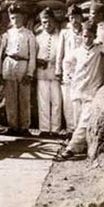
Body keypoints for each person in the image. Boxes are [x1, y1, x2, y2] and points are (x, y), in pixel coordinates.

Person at [54, 21, 104, 161]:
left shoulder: (99, 50)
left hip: (92, 91)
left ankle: (70, 150)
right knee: (76, 120)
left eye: (90, 36)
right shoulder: (77, 52)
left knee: (84, 121)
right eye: (85, 36)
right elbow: (66, 62)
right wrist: (70, 75)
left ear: (94, 36)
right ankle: (82, 147)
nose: (87, 39)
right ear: (81, 36)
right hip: (77, 90)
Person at [0, 4, 36, 135]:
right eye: (13, 18)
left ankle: (24, 127)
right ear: (10, 18)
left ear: (23, 18)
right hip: (9, 64)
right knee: (10, 98)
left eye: (18, 17)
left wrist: (30, 73)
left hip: (23, 64)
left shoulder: (29, 35)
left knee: (24, 98)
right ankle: (13, 126)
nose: (16, 20)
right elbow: (1, 55)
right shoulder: (7, 35)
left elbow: (32, 56)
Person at [55, 4, 84, 133]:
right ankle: (70, 129)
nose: (74, 21)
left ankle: (79, 128)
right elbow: (60, 53)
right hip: (67, 70)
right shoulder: (65, 33)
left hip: (82, 70)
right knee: (67, 100)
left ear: (81, 17)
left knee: (79, 99)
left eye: (77, 17)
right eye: (72, 17)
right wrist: (58, 70)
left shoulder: (85, 32)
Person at [35, 8, 62, 137]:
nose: (47, 25)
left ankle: (56, 129)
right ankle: (44, 128)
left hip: (56, 72)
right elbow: (32, 53)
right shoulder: (38, 37)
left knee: (56, 101)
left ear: (54, 21)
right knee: (43, 100)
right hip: (42, 72)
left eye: (50, 21)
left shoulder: (60, 36)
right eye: (44, 22)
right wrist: (38, 61)